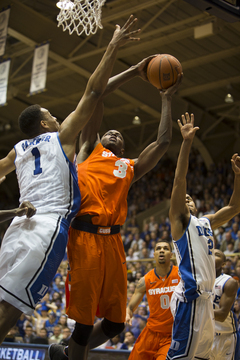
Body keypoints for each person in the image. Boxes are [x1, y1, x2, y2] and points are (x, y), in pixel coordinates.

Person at [0, 14, 140, 345]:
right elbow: (94, 91)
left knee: (3, 300)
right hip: (45, 227)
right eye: (52, 115)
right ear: (47, 125)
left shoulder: (17, 151)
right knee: (12, 310)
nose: (58, 117)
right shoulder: (61, 137)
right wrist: (114, 46)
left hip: (17, 226)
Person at [49, 42, 182, 360]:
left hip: (115, 243)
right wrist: (136, 71)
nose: (113, 133)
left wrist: (166, 99)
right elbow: (97, 94)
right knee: (83, 322)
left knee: (115, 323)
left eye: (119, 134)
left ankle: (68, 352)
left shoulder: (129, 168)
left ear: (122, 146)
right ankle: (73, 350)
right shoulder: (88, 149)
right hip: (84, 236)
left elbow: (163, 143)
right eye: (109, 131)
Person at [166, 113, 240, 360]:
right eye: (182, 198)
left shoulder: (206, 222)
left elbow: (234, 208)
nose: (185, 198)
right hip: (192, 298)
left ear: (196, 203)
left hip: (206, 303)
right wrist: (187, 142)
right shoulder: (180, 221)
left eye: (189, 198)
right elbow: (180, 179)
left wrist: (238, 177)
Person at [125, 240, 180, 360]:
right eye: (158, 248)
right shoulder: (145, 280)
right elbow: (130, 307)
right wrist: (128, 314)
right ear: (154, 254)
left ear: (171, 255)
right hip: (150, 332)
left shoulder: (180, 275)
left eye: (165, 248)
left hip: (172, 334)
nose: (161, 250)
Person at [210, 249, 238, 360]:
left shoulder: (228, 281)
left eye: (216, 255)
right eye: (210, 253)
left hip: (226, 335)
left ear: (223, 264)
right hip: (206, 336)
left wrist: (195, 311)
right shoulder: (199, 282)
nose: (212, 256)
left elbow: (221, 315)